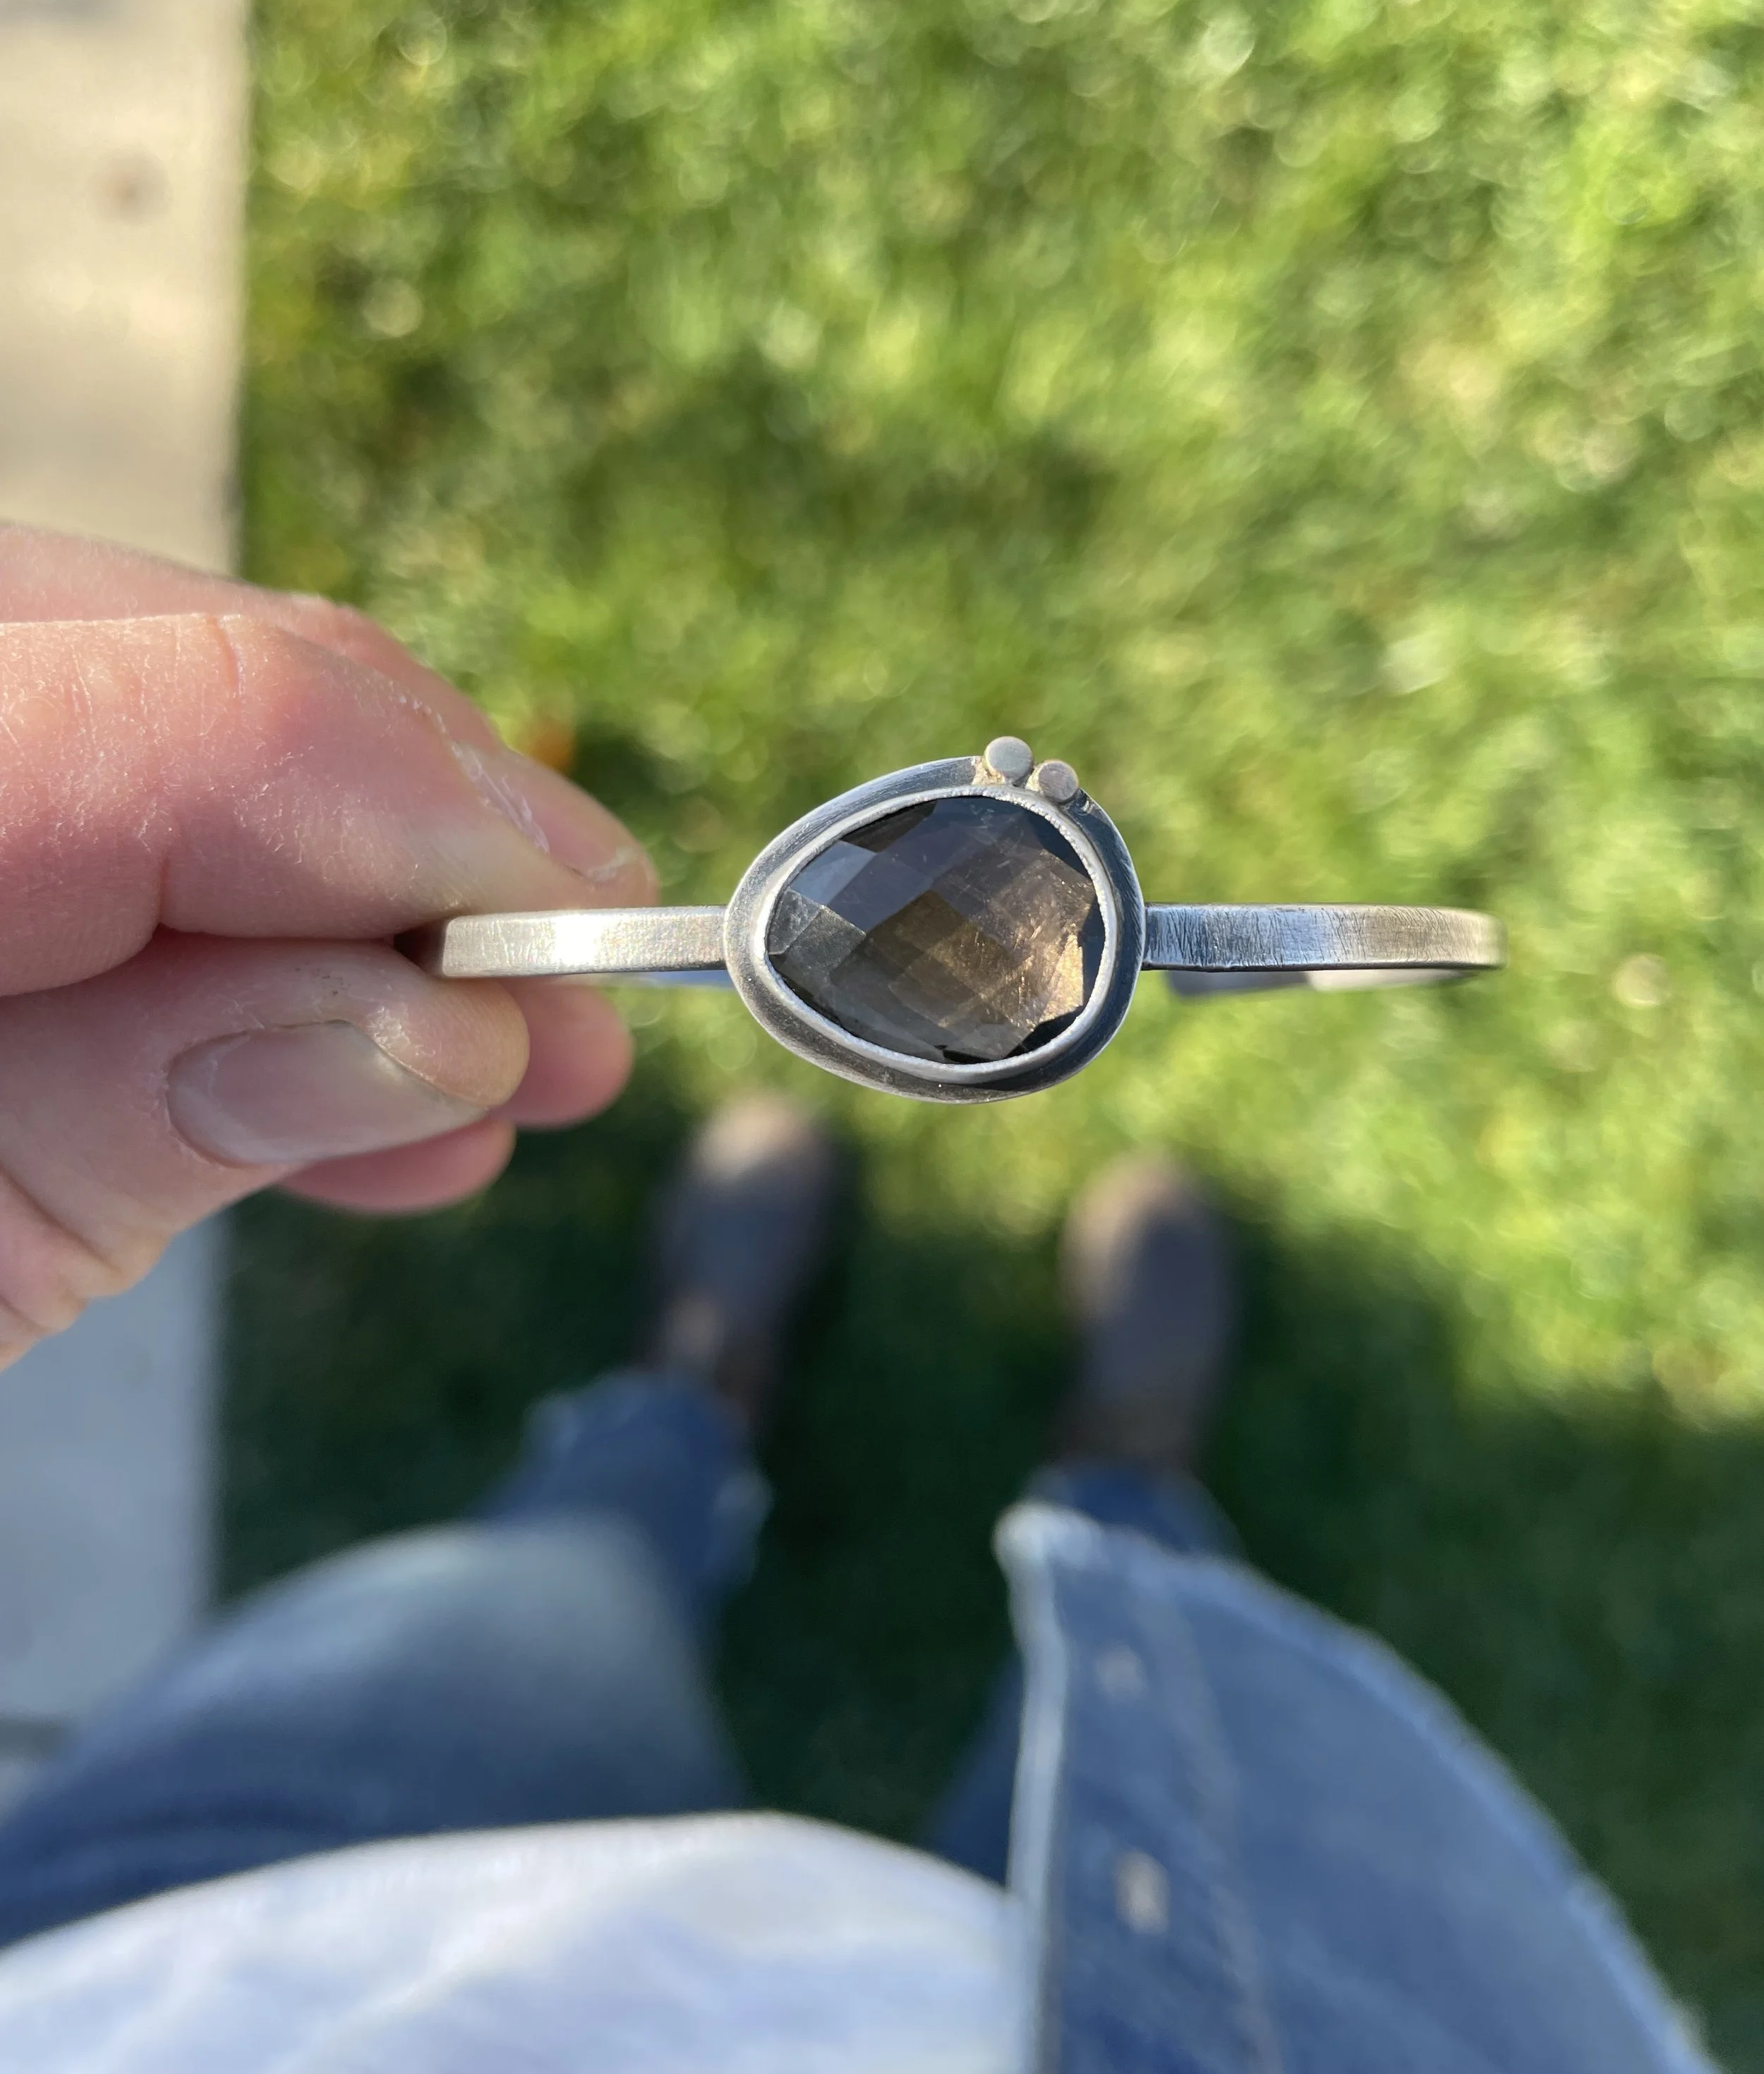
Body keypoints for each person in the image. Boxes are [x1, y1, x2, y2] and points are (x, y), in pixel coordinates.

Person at [0, 529, 1715, 2070]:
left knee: (534, 1594)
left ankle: (678, 1418)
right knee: (1168, 1677)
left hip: (233, 1949)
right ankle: (1119, 1492)